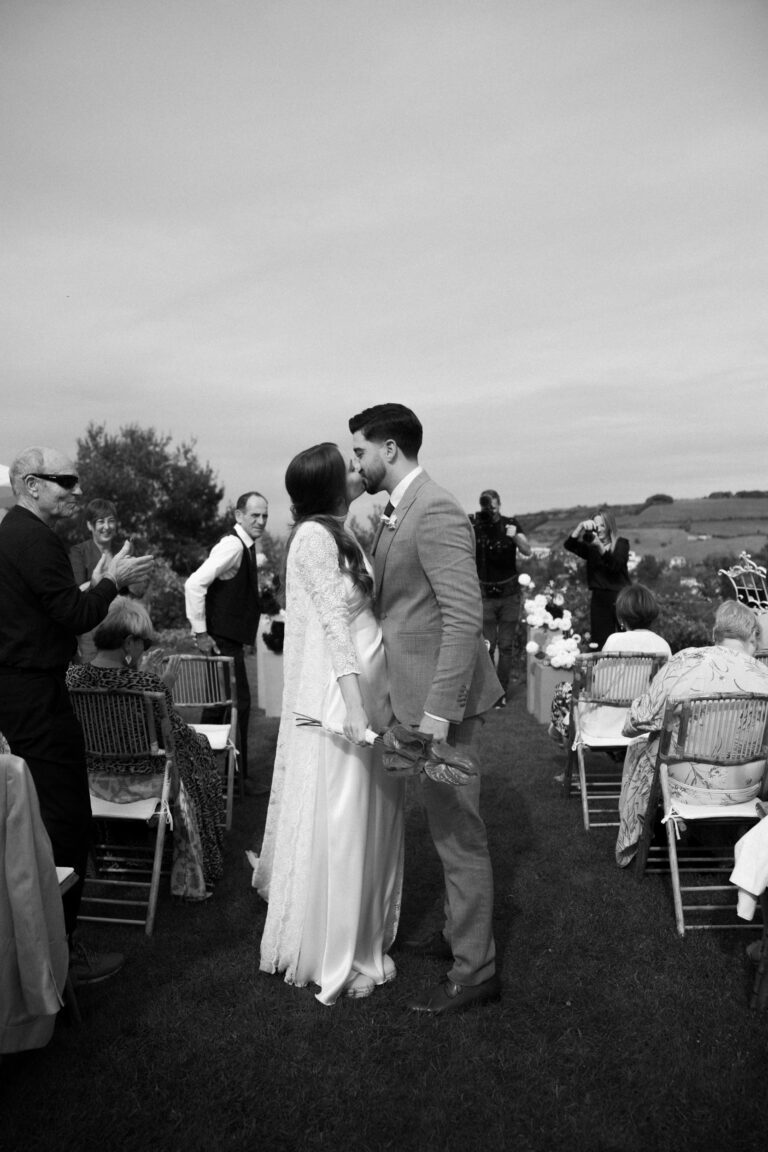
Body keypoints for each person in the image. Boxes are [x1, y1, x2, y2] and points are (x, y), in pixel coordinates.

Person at [349, 403, 502, 1016]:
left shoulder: (434, 507)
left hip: (445, 704)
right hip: (417, 694)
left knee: (459, 834)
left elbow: (465, 616)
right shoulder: (397, 509)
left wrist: (440, 711)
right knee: (444, 831)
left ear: (390, 449)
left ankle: (476, 970)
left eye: (359, 450)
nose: (353, 462)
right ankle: (457, 936)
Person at [252, 443, 404, 1005]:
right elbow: (336, 627)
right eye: (346, 466)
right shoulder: (315, 538)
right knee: (345, 823)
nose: (356, 469)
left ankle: (364, 932)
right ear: (328, 486)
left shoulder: (338, 531)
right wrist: (356, 706)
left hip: (368, 685)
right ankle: (339, 951)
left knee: (371, 817)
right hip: (346, 697)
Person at [0, 446, 153, 984]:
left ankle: (41, 950)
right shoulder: (35, 537)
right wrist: (114, 580)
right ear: (31, 484)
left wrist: (99, 579)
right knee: (66, 820)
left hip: (17, 693)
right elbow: (73, 615)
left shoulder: (13, 535)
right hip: (37, 697)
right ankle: (64, 960)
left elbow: (46, 605)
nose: (76, 489)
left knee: (37, 820)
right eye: (65, 480)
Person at [67, 597, 224, 898]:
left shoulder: (73, 678)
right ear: (129, 643)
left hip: (92, 782)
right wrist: (162, 686)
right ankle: (204, 860)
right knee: (198, 750)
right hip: (144, 784)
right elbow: (175, 736)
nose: (146, 648)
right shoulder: (146, 685)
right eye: (144, 642)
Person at [616, 600, 768, 867]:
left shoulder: (687, 660)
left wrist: (632, 726)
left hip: (686, 786)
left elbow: (641, 717)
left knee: (647, 744)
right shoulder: (764, 675)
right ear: (753, 638)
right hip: (746, 787)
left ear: (714, 634)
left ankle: (637, 839)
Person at [184, 491, 268, 793]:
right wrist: (201, 633)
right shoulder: (233, 545)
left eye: (264, 516)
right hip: (222, 642)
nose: (260, 521)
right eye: (254, 515)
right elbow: (194, 584)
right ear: (239, 516)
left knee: (219, 709)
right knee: (234, 706)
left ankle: (204, 777)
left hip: (227, 640)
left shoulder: (245, 547)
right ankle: (233, 780)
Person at [549, 583, 672, 744]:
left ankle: (561, 733)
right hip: (643, 725)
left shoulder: (615, 641)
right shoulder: (662, 645)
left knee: (563, 690)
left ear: (621, 616)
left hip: (605, 725)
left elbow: (598, 689)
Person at [470, 489, 531, 709]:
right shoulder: (476, 526)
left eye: (494, 507)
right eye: (487, 508)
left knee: (505, 646)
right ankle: (488, 692)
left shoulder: (510, 524)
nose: (490, 512)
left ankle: (501, 693)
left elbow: (528, 550)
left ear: (500, 505)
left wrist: (514, 535)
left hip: (509, 594)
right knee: (488, 645)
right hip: (485, 594)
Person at [564, 509, 631, 649]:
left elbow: (615, 566)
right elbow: (569, 545)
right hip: (599, 598)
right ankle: (602, 670)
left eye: (602, 525)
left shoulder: (621, 543)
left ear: (609, 526)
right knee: (600, 641)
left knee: (626, 637)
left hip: (620, 597)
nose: (599, 529)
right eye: (596, 525)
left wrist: (600, 546)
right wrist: (581, 527)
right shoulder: (591, 548)